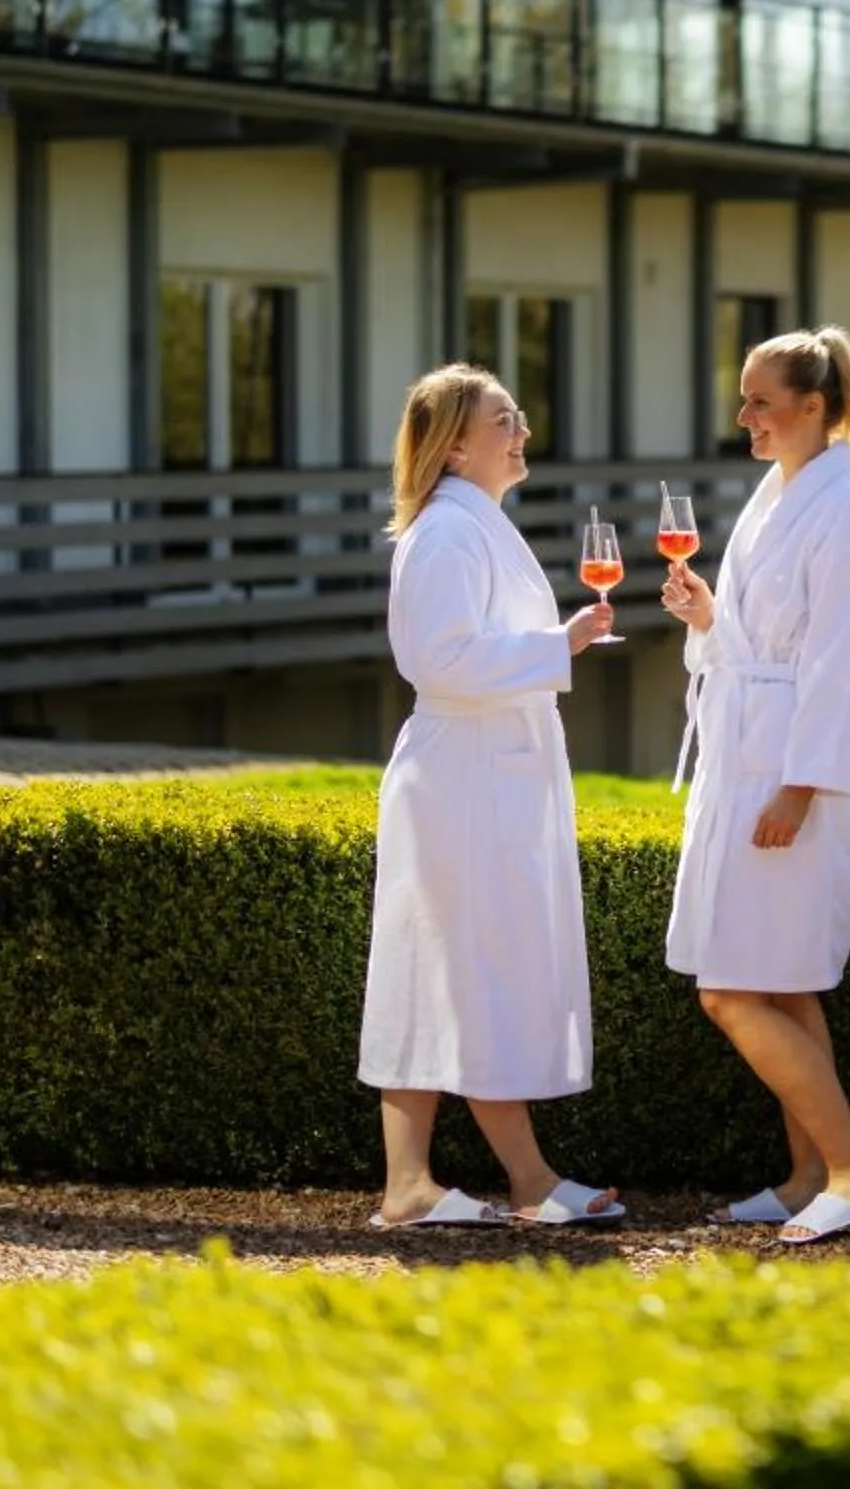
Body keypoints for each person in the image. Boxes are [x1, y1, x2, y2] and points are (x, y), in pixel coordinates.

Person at [357, 363, 627, 1231]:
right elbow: (435, 661)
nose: (522, 433)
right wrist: (558, 647)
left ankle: (503, 1180)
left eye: (518, 416)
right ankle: (449, 1186)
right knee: (451, 968)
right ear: (456, 444)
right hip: (462, 778)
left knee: (463, 970)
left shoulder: (477, 527)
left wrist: (555, 646)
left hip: (488, 771)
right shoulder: (445, 534)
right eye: (505, 420)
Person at [659, 326, 850, 1245]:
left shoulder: (848, 513)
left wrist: (801, 787)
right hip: (748, 753)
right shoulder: (779, 493)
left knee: (731, 989)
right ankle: (807, 1175)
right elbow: (760, 646)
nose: (745, 417)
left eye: (761, 401)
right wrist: (707, 618)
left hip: (794, 776)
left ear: (815, 407)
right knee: (789, 986)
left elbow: (843, 663)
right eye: (744, 398)